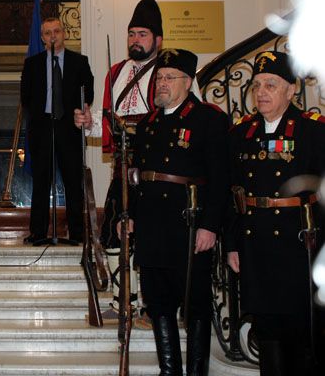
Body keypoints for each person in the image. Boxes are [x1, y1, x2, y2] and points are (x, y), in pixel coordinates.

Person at [125, 49, 229, 375]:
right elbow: (134, 175)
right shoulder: (148, 124)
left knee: (195, 304)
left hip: (189, 225)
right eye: (159, 77)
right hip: (151, 226)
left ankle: (196, 371)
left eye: (170, 77)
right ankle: (169, 371)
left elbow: (221, 179)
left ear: (188, 81)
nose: (162, 83)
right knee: (158, 303)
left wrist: (210, 226)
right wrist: (129, 215)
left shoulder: (208, 119)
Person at [226, 51, 325, 376]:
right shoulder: (242, 133)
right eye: (256, 85)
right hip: (255, 245)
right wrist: (232, 245)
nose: (261, 92)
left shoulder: (312, 131)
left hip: (299, 246)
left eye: (271, 84)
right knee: (266, 332)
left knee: (301, 336)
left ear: (291, 89)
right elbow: (232, 193)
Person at [74, 0, 164, 319]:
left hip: (155, 167)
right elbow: (109, 121)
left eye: (143, 34)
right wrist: (90, 121)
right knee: (113, 231)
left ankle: (148, 302)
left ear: (158, 40)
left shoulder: (169, 72)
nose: (135, 40)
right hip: (122, 165)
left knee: (147, 233)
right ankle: (121, 299)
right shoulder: (116, 72)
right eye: (132, 34)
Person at [20, 17, 94, 244]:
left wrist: (81, 110)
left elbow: (88, 93)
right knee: (41, 182)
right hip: (42, 129)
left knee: (73, 182)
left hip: (70, 127)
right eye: (48, 33)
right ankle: (38, 232)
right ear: (42, 38)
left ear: (64, 33)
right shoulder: (32, 64)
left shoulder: (79, 61)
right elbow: (25, 97)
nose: (53, 36)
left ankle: (77, 233)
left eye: (57, 31)